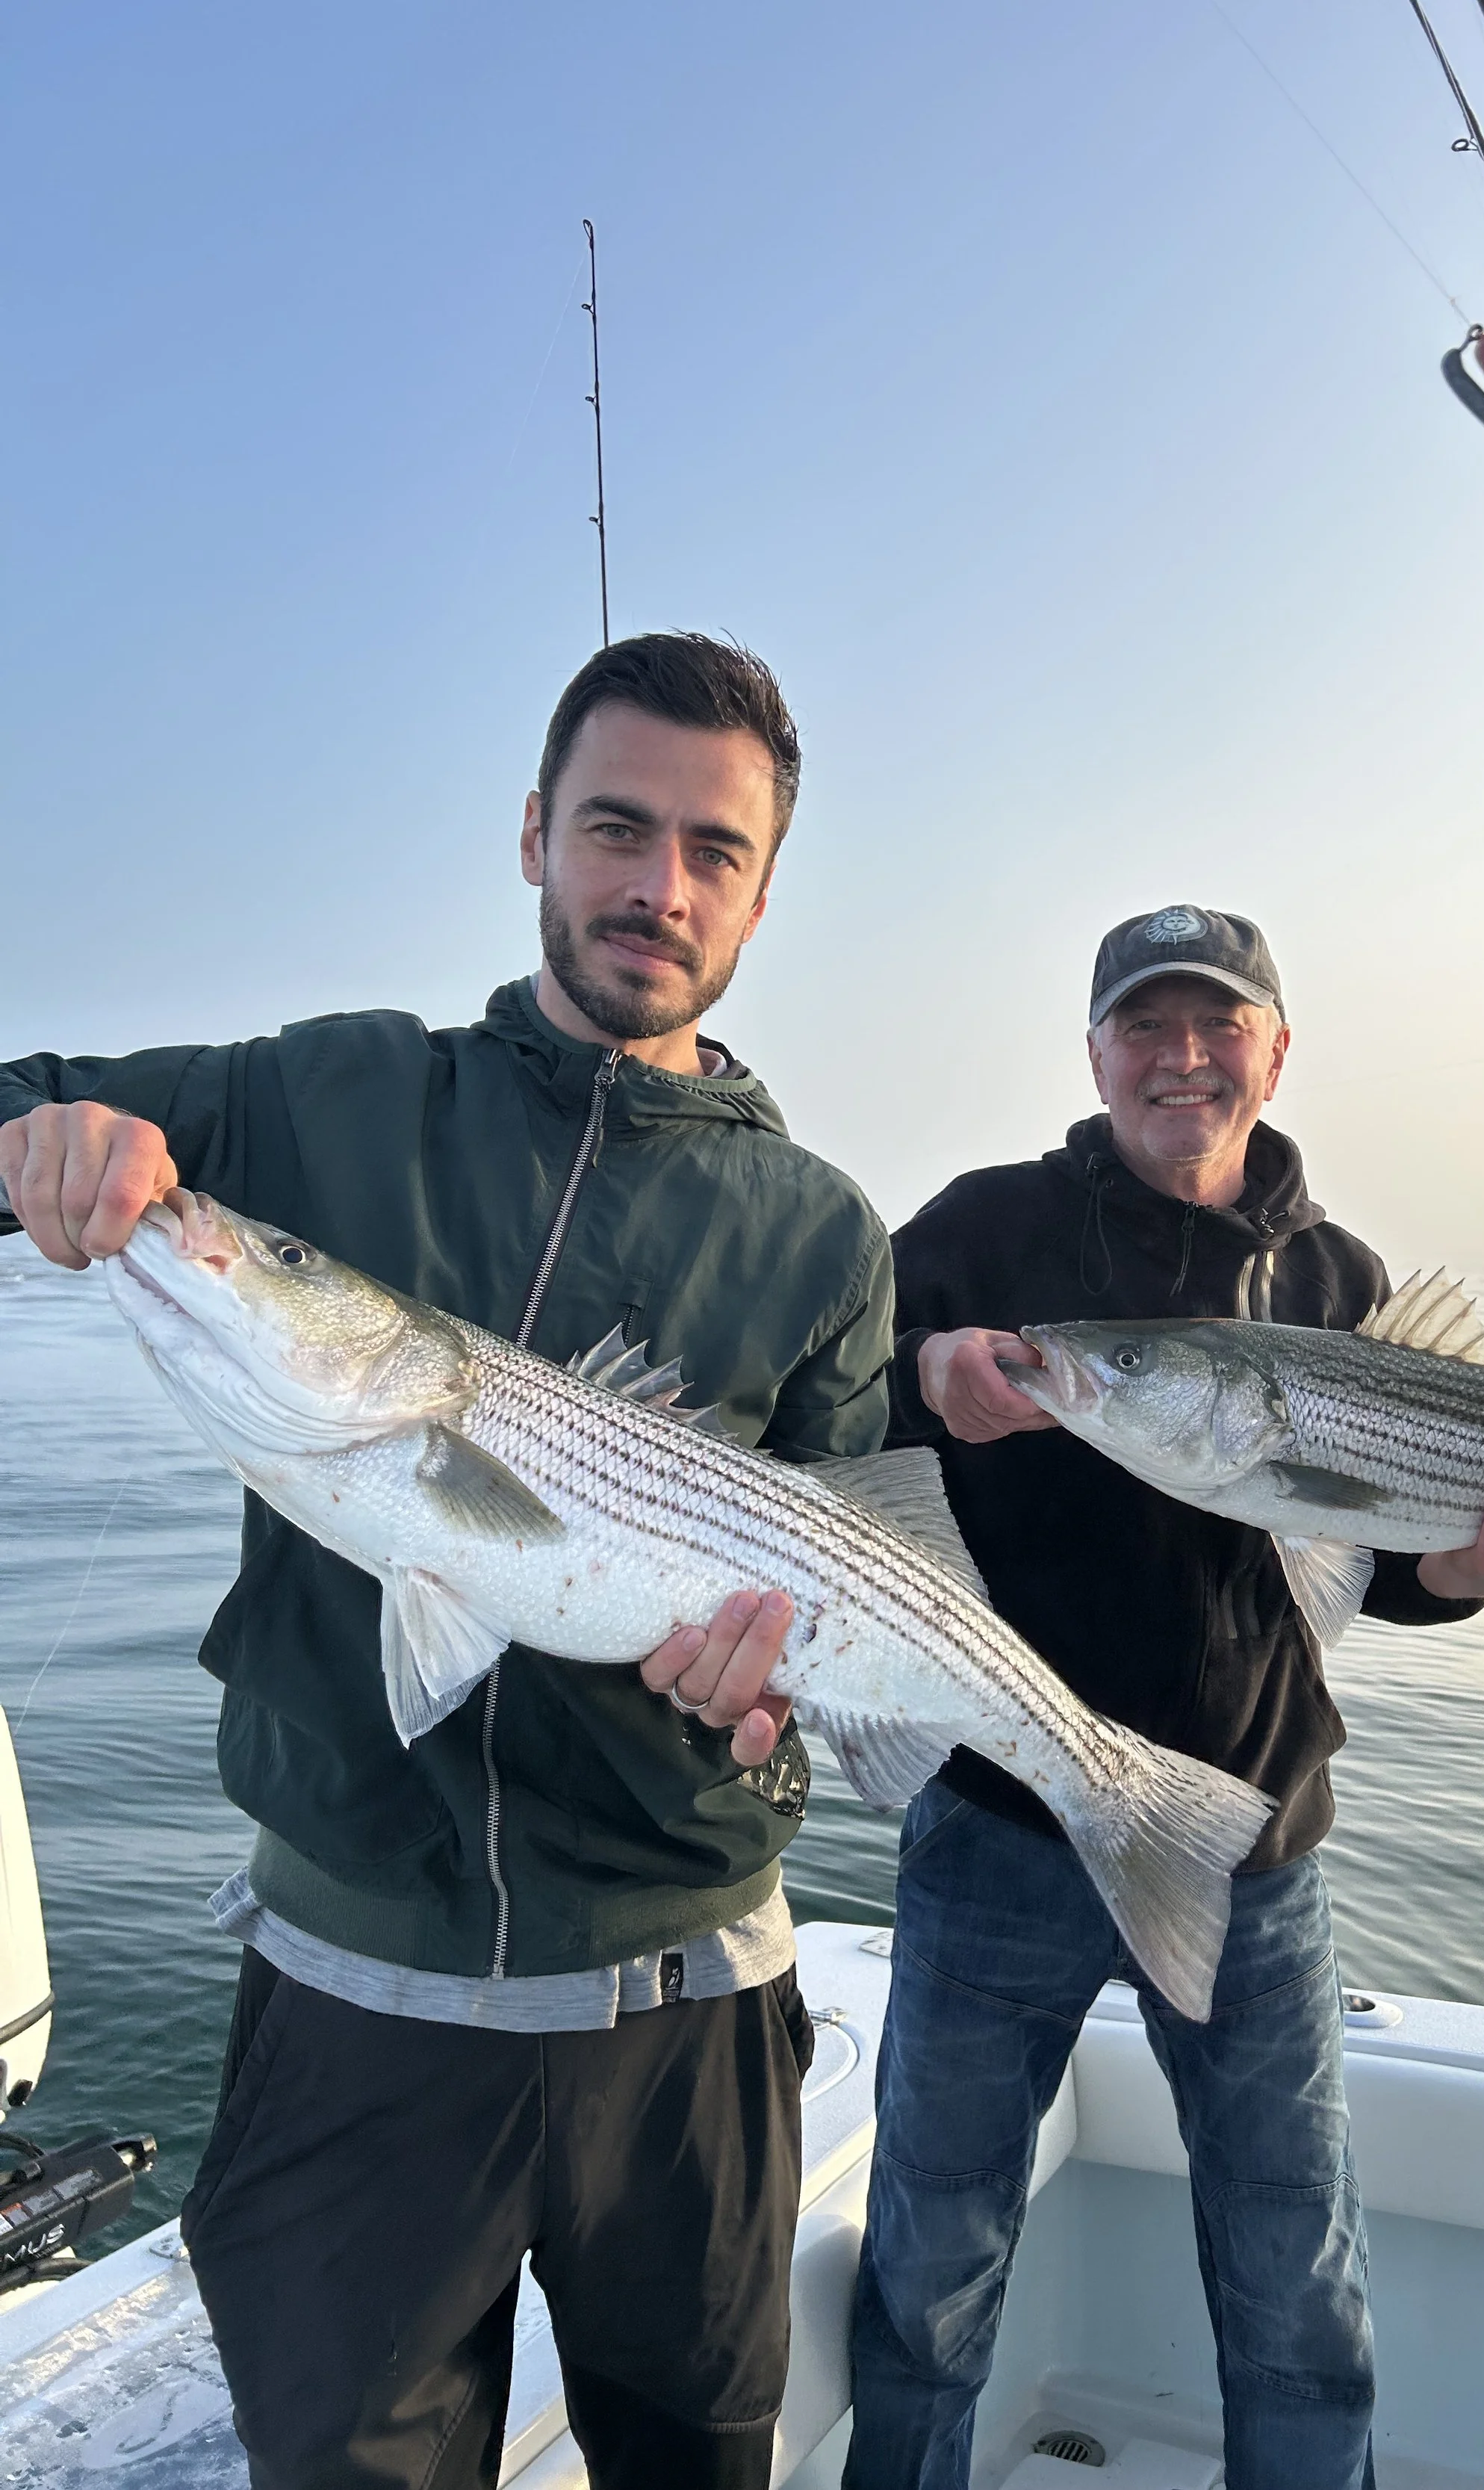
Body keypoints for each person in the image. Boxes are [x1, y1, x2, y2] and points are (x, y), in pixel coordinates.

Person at [0, 634, 892, 2490]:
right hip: (356, 2000)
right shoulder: (330, 1095)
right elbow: (23, 1107)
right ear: (533, 835)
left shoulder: (821, 1235)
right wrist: (54, 1139)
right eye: (615, 828)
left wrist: (762, 1717)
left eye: (713, 851)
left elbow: (825, 1638)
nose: (658, 887)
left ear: (760, 892)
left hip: (689, 2015)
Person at [844, 905, 1484, 2490]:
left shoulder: (1340, 1279)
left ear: (1275, 1050)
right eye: (1144, 1023)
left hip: (1253, 1845)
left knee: (1296, 2280)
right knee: (931, 2260)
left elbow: (1380, 1574)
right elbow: (824, 1387)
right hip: (1001, 1821)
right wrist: (923, 1371)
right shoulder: (985, 1225)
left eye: (1217, 1023)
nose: (1180, 1056)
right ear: (1093, 1055)